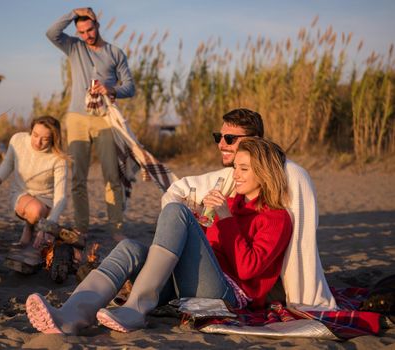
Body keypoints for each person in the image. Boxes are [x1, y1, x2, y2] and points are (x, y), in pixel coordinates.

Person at [25, 137, 293, 335]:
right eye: (236, 167)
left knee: (176, 210)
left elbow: (248, 270)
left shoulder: (277, 218)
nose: (235, 175)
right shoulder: (232, 205)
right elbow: (210, 249)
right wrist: (199, 224)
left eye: (244, 169)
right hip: (191, 283)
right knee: (130, 247)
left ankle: (135, 309)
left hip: (227, 296)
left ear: (265, 172)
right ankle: (71, 315)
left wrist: (225, 220)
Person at [161, 108, 337, 311]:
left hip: (255, 285)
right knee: (136, 249)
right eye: (219, 137)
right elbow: (179, 190)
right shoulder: (232, 181)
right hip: (225, 276)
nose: (221, 144)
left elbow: (302, 245)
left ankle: (143, 299)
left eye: (229, 138)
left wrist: (304, 299)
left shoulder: (293, 177)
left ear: (255, 140)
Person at [46, 7, 135, 237]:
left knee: (112, 175)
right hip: (76, 118)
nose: (87, 35)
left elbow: (130, 87)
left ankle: (116, 228)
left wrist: (112, 89)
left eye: (90, 29)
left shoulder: (115, 53)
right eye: (82, 31)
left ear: (97, 24)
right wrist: (71, 13)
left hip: (105, 119)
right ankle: (81, 227)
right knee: (77, 177)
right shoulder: (75, 47)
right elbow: (51, 33)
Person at [0, 116, 69, 247]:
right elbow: (8, 162)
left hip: (47, 200)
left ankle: (41, 227)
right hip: (21, 192)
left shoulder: (58, 159)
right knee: (35, 211)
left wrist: (48, 226)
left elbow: (61, 197)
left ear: (53, 139)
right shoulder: (18, 140)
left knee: (48, 236)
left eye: (45, 139)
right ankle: (29, 227)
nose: (37, 142)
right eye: (35, 135)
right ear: (31, 130)